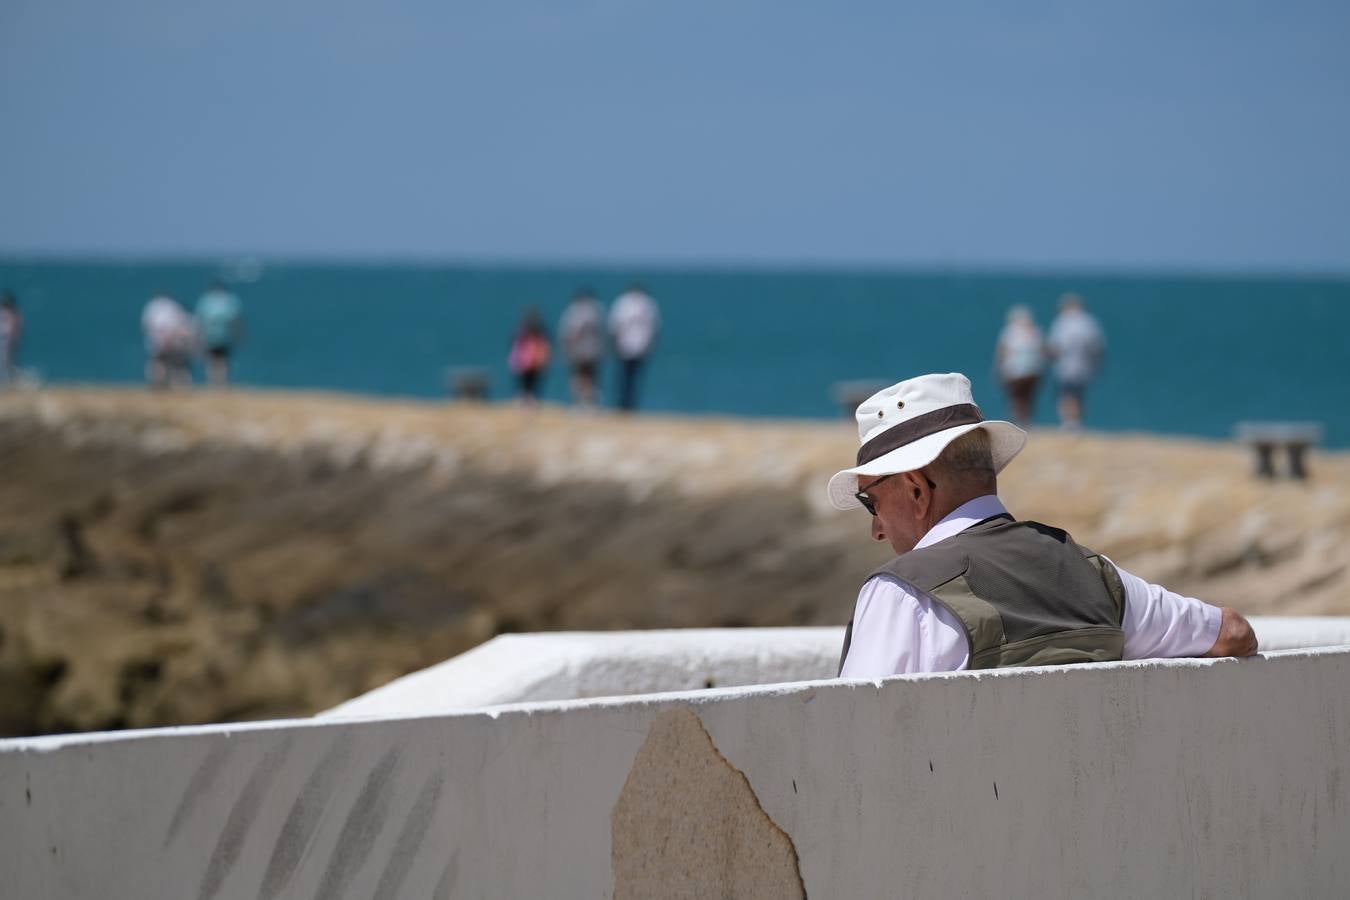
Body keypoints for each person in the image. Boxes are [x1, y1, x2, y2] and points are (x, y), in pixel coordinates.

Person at [827, 372, 1257, 677]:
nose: (877, 530)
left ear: (917, 490)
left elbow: (853, 741)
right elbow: (1234, 632)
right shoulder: (1096, 576)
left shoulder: (904, 594)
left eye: (872, 503)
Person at [1046, 292, 1105, 429]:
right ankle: (1076, 422)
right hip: (1084, 366)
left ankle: (1069, 422)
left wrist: (1050, 359)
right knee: (1078, 395)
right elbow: (1096, 347)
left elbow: (1054, 347)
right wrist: (1096, 364)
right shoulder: (1089, 322)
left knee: (1066, 395)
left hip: (1064, 366)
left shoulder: (1061, 322)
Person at [608, 283, 660, 412]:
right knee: (633, 377)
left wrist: (613, 344)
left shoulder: (623, 303)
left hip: (625, 345)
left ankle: (623, 404)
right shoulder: (648, 304)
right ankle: (630, 404)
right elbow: (655, 329)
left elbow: (614, 326)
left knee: (624, 377)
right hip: (640, 346)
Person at [994, 304, 1044, 426]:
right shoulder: (1035, 331)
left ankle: (1018, 420)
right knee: (1028, 398)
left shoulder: (1010, 332)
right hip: (1033, 371)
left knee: (1016, 398)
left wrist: (998, 370)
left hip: (1014, 372)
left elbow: (1002, 352)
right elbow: (1043, 351)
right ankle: (1025, 420)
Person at [558, 288, 604, 408]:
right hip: (592, 350)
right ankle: (590, 402)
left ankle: (582, 401)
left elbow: (568, 333)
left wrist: (566, 348)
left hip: (580, 350)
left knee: (579, 376)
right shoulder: (596, 309)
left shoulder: (573, 311)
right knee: (590, 377)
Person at [194, 280, 244, 387]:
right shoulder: (230, 300)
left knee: (211, 361)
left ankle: (213, 383)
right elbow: (235, 319)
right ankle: (222, 383)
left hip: (209, 336)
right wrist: (239, 334)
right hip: (225, 336)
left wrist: (197, 337)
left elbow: (200, 320)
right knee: (223, 361)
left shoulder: (206, 300)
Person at [142, 294, 196, 389]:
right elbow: (181, 326)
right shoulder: (173, 306)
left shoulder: (152, 307)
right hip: (173, 341)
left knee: (159, 362)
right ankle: (176, 385)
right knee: (175, 365)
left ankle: (158, 384)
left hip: (157, 341)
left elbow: (146, 326)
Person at [508, 308, 552, 404]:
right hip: (529, 364)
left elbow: (515, 348)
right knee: (529, 386)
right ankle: (528, 403)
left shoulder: (524, 332)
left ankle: (527, 403)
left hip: (528, 364)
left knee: (528, 386)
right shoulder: (537, 333)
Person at [0, 291, 22, 385]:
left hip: (7, 338)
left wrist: (15, 337)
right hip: (4, 338)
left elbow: (16, 326)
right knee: (5, 360)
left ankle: (8, 380)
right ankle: (8, 379)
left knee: (7, 360)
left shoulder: (13, 313)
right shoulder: (9, 312)